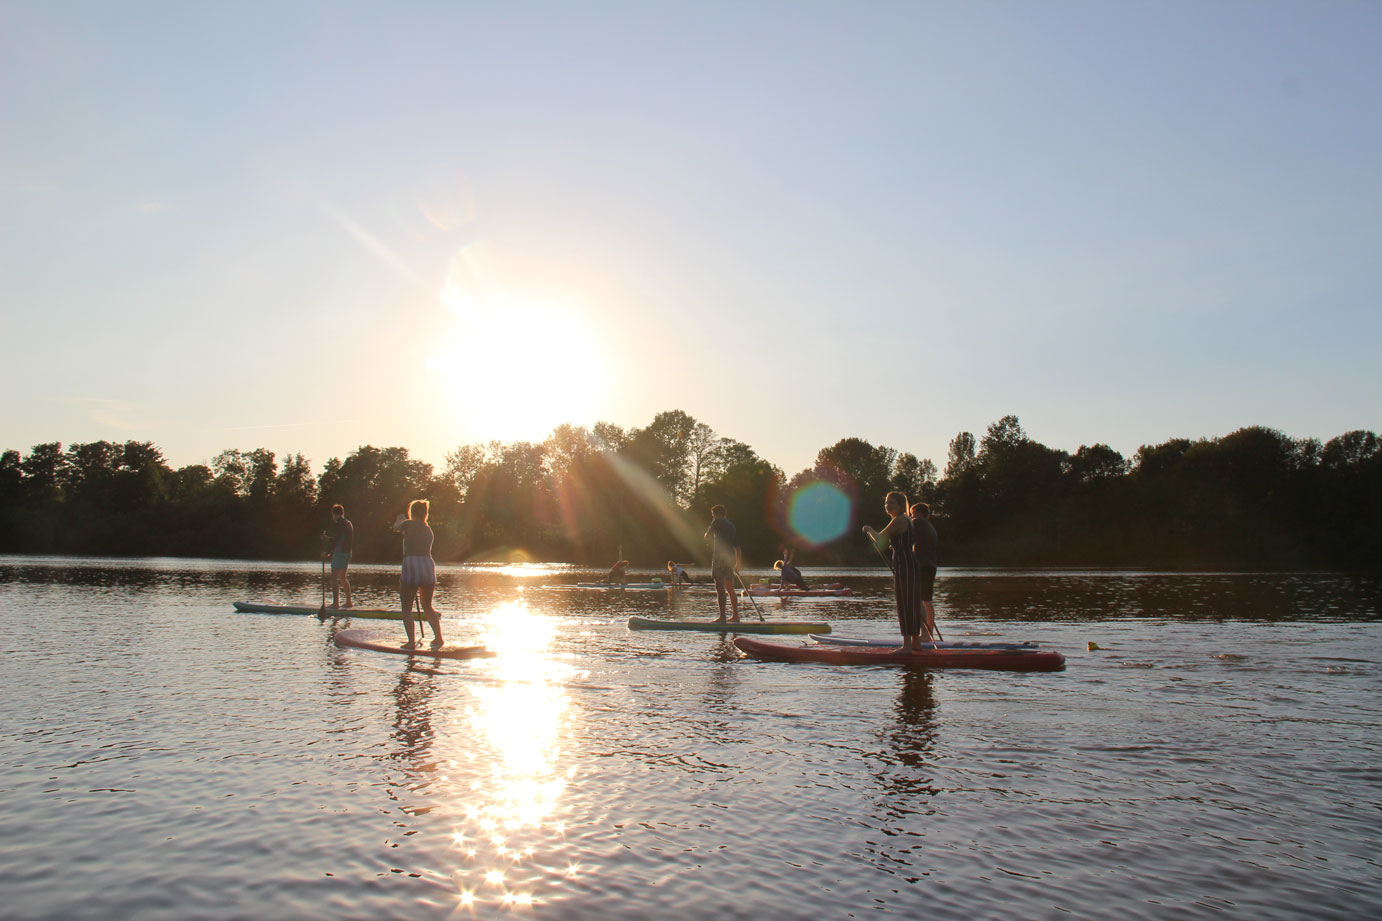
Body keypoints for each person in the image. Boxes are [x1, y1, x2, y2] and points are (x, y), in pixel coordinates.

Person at [863, 491, 931, 653]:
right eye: (886, 502)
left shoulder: (899, 519)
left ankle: (907, 646)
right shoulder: (907, 519)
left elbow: (879, 539)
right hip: (909, 563)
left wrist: (868, 529)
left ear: (901, 505)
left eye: (891, 503)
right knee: (912, 602)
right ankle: (916, 643)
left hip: (905, 565)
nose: (887, 506)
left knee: (905, 604)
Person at [392, 499, 442, 648]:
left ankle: (410, 642)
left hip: (412, 563)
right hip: (427, 564)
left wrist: (399, 519)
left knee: (406, 607)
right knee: (427, 606)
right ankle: (438, 638)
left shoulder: (408, 524)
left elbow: (395, 528)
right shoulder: (428, 529)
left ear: (412, 513)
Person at [704, 504, 741, 622]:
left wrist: (707, 532)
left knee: (719, 587)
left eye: (713, 515)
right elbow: (738, 547)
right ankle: (735, 616)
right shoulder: (732, 526)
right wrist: (738, 564)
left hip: (719, 557)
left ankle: (723, 617)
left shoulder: (716, 521)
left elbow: (707, 537)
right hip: (730, 558)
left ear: (717, 514)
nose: (713, 517)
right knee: (730, 588)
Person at [910, 502, 940, 641]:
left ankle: (925, 635)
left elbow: (904, 534)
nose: (911, 516)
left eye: (913, 513)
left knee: (917, 600)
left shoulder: (917, 522)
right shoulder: (930, 526)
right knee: (927, 600)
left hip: (921, 566)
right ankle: (929, 634)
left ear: (920, 513)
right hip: (931, 566)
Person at [323, 504, 354, 609]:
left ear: (334, 514)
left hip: (340, 552)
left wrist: (327, 552)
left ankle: (335, 604)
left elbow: (337, 541)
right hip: (348, 553)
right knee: (342, 577)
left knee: (334, 578)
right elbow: (340, 538)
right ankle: (349, 602)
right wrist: (328, 539)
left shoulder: (339, 524)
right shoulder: (348, 524)